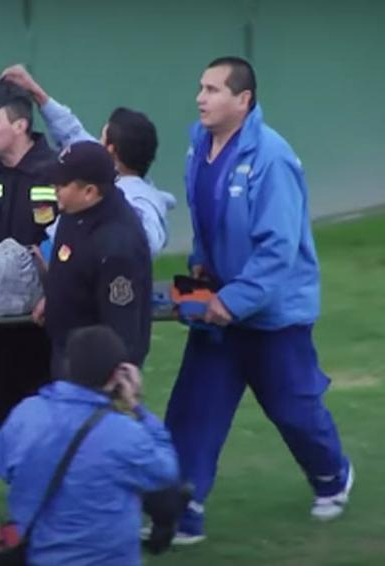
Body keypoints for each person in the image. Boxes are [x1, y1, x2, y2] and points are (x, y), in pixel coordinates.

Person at [164, 56, 353, 544]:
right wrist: (204, 270)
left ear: (243, 100)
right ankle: (184, 511)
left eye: (213, 89)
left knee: (295, 411)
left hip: (273, 315)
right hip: (218, 307)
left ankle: (333, 476)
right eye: (200, 87)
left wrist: (234, 300)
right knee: (194, 409)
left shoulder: (273, 158)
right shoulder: (198, 147)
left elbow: (278, 249)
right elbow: (207, 219)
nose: (201, 98)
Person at [0, 325, 179, 565]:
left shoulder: (27, 414)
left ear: (68, 365)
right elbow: (166, 471)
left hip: (40, 555)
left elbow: (1, 462)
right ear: (117, 376)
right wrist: (137, 407)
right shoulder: (124, 433)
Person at [0, 64, 176, 258]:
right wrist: (37, 93)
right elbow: (71, 133)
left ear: (111, 150)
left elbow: (143, 243)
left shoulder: (142, 201)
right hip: (46, 258)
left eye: (102, 137)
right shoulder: (104, 170)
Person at [0, 78, 58, 425]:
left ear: (20, 125)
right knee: (1, 408)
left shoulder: (56, 172)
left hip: (45, 323)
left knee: (48, 410)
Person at [36, 141, 153, 380]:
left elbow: (122, 326)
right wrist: (53, 298)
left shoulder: (117, 245)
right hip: (66, 348)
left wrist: (115, 380)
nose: (54, 187)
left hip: (94, 370)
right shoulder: (74, 210)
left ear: (89, 191)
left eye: (62, 183)